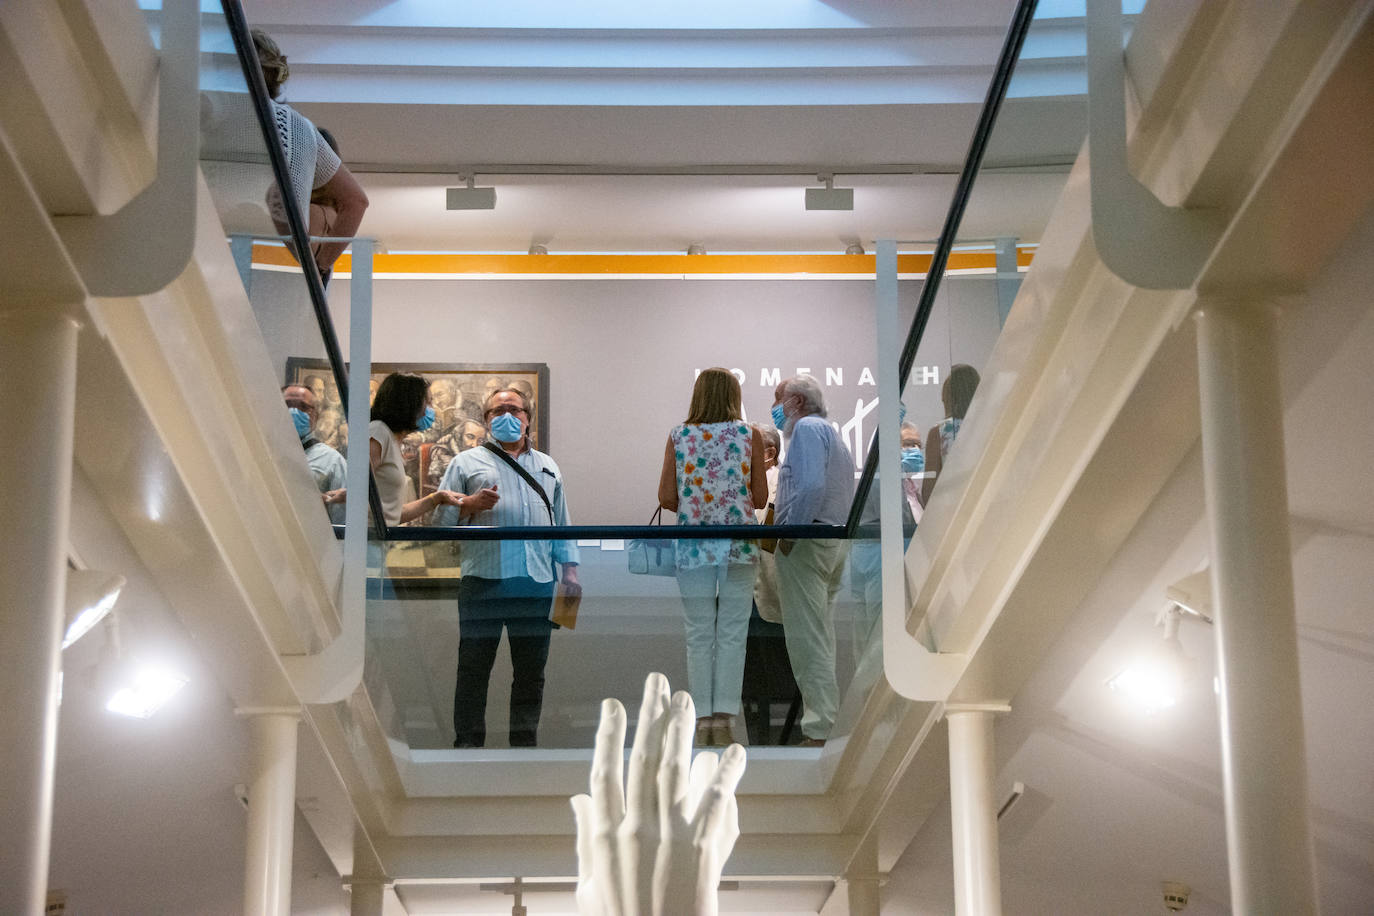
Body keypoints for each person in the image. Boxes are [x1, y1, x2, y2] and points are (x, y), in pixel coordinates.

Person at [433, 387, 581, 747]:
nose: (506, 416)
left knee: (531, 673)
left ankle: (524, 745)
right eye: (497, 411)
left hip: (536, 582)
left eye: (514, 409)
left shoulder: (548, 466)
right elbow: (440, 523)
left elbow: (562, 523)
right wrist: (468, 504)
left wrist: (571, 574)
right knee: (473, 670)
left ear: (528, 417)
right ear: (486, 420)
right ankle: (467, 747)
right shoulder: (464, 464)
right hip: (483, 581)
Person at [657, 369, 768, 747]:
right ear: (734, 395)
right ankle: (725, 717)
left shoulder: (679, 435)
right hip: (739, 541)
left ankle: (702, 718)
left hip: (693, 543)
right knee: (734, 632)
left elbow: (666, 497)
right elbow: (761, 496)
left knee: (699, 632)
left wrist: (697, 502)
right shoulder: (748, 434)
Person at [770, 374, 854, 747]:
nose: (775, 409)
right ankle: (825, 723)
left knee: (808, 640)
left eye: (778, 400)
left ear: (797, 402)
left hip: (808, 541)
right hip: (832, 542)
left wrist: (791, 532)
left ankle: (819, 730)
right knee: (821, 637)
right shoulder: (831, 434)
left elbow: (810, 487)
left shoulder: (805, 429)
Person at [252, 28, 368, 283]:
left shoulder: (209, 114)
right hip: (292, 276)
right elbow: (357, 201)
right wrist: (322, 267)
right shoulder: (299, 128)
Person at [357, 372, 464, 526]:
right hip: (364, 543)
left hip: (377, 544)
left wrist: (436, 498)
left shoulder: (390, 439)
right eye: (427, 402)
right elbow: (354, 492)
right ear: (409, 404)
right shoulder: (378, 432)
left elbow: (392, 515)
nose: (432, 409)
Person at [283, 384, 346, 524]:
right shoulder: (261, 453)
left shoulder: (332, 461)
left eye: (303, 407)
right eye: (287, 405)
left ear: (315, 416)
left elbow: (342, 522)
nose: (293, 412)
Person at [922, 364, 981, 505]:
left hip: (952, 513)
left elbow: (929, 492)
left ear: (948, 397)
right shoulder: (991, 426)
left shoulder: (939, 433)